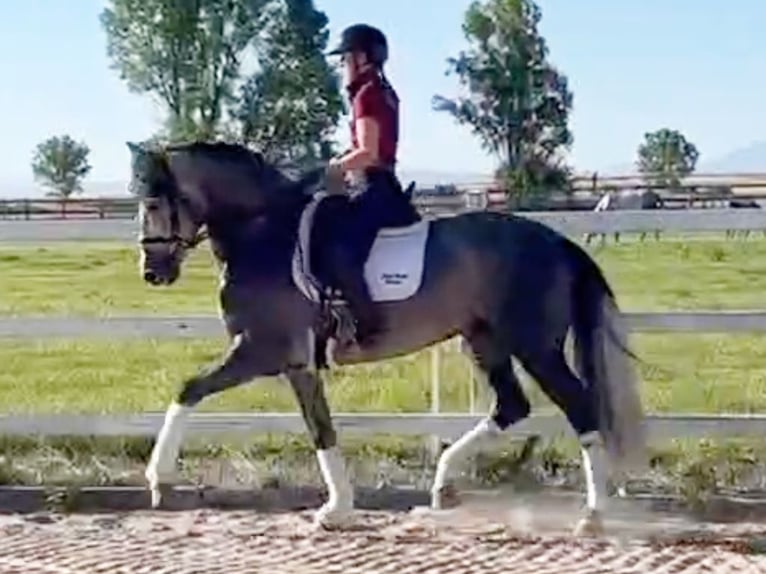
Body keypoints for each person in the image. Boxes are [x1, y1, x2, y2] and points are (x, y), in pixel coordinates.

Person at [324, 23, 420, 345]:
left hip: (373, 188)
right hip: (384, 184)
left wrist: (330, 168)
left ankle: (369, 326)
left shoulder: (366, 94)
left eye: (345, 58)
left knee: (340, 253)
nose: (342, 66)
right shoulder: (383, 91)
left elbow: (368, 153)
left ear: (362, 58)